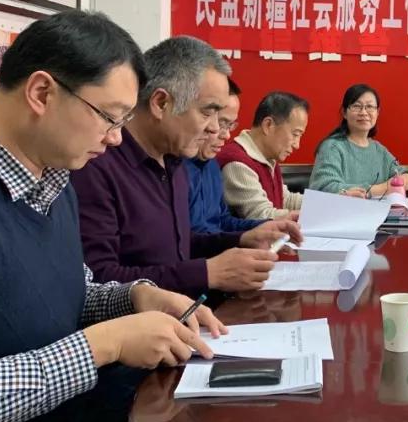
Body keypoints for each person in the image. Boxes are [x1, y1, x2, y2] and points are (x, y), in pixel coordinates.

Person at [0, 11, 226, 422]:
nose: (115, 138)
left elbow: (65, 291)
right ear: (42, 93)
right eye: (109, 117)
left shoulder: (53, 177)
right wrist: (105, 344)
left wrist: (134, 297)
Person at [73, 37, 299, 296]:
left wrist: (242, 239)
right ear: (161, 103)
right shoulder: (95, 166)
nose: (215, 128)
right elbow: (99, 281)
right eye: (207, 112)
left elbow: (178, 247)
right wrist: (208, 273)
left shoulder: (175, 163)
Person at [185, 78, 264, 234]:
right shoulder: (174, 168)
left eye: (230, 125)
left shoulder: (211, 164)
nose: (227, 135)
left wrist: (267, 226)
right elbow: (191, 238)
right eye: (222, 123)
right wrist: (239, 240)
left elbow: (222, 220)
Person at [309, 84, 408, 197]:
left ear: (377, 112)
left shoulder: (379, 150)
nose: (363, 112)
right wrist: (382, 189)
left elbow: (403, 174)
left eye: (370, 107)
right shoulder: (332, 147)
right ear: (344, 112)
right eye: (357, 106)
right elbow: (324, 187)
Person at [218, 91, 308, 220]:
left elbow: (286, 200)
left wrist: (329, 203)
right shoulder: (237, 164)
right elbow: (262, 215)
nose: (297, 145)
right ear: (268, 125)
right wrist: (310, 215)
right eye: (295, 134)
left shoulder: (267, 158)